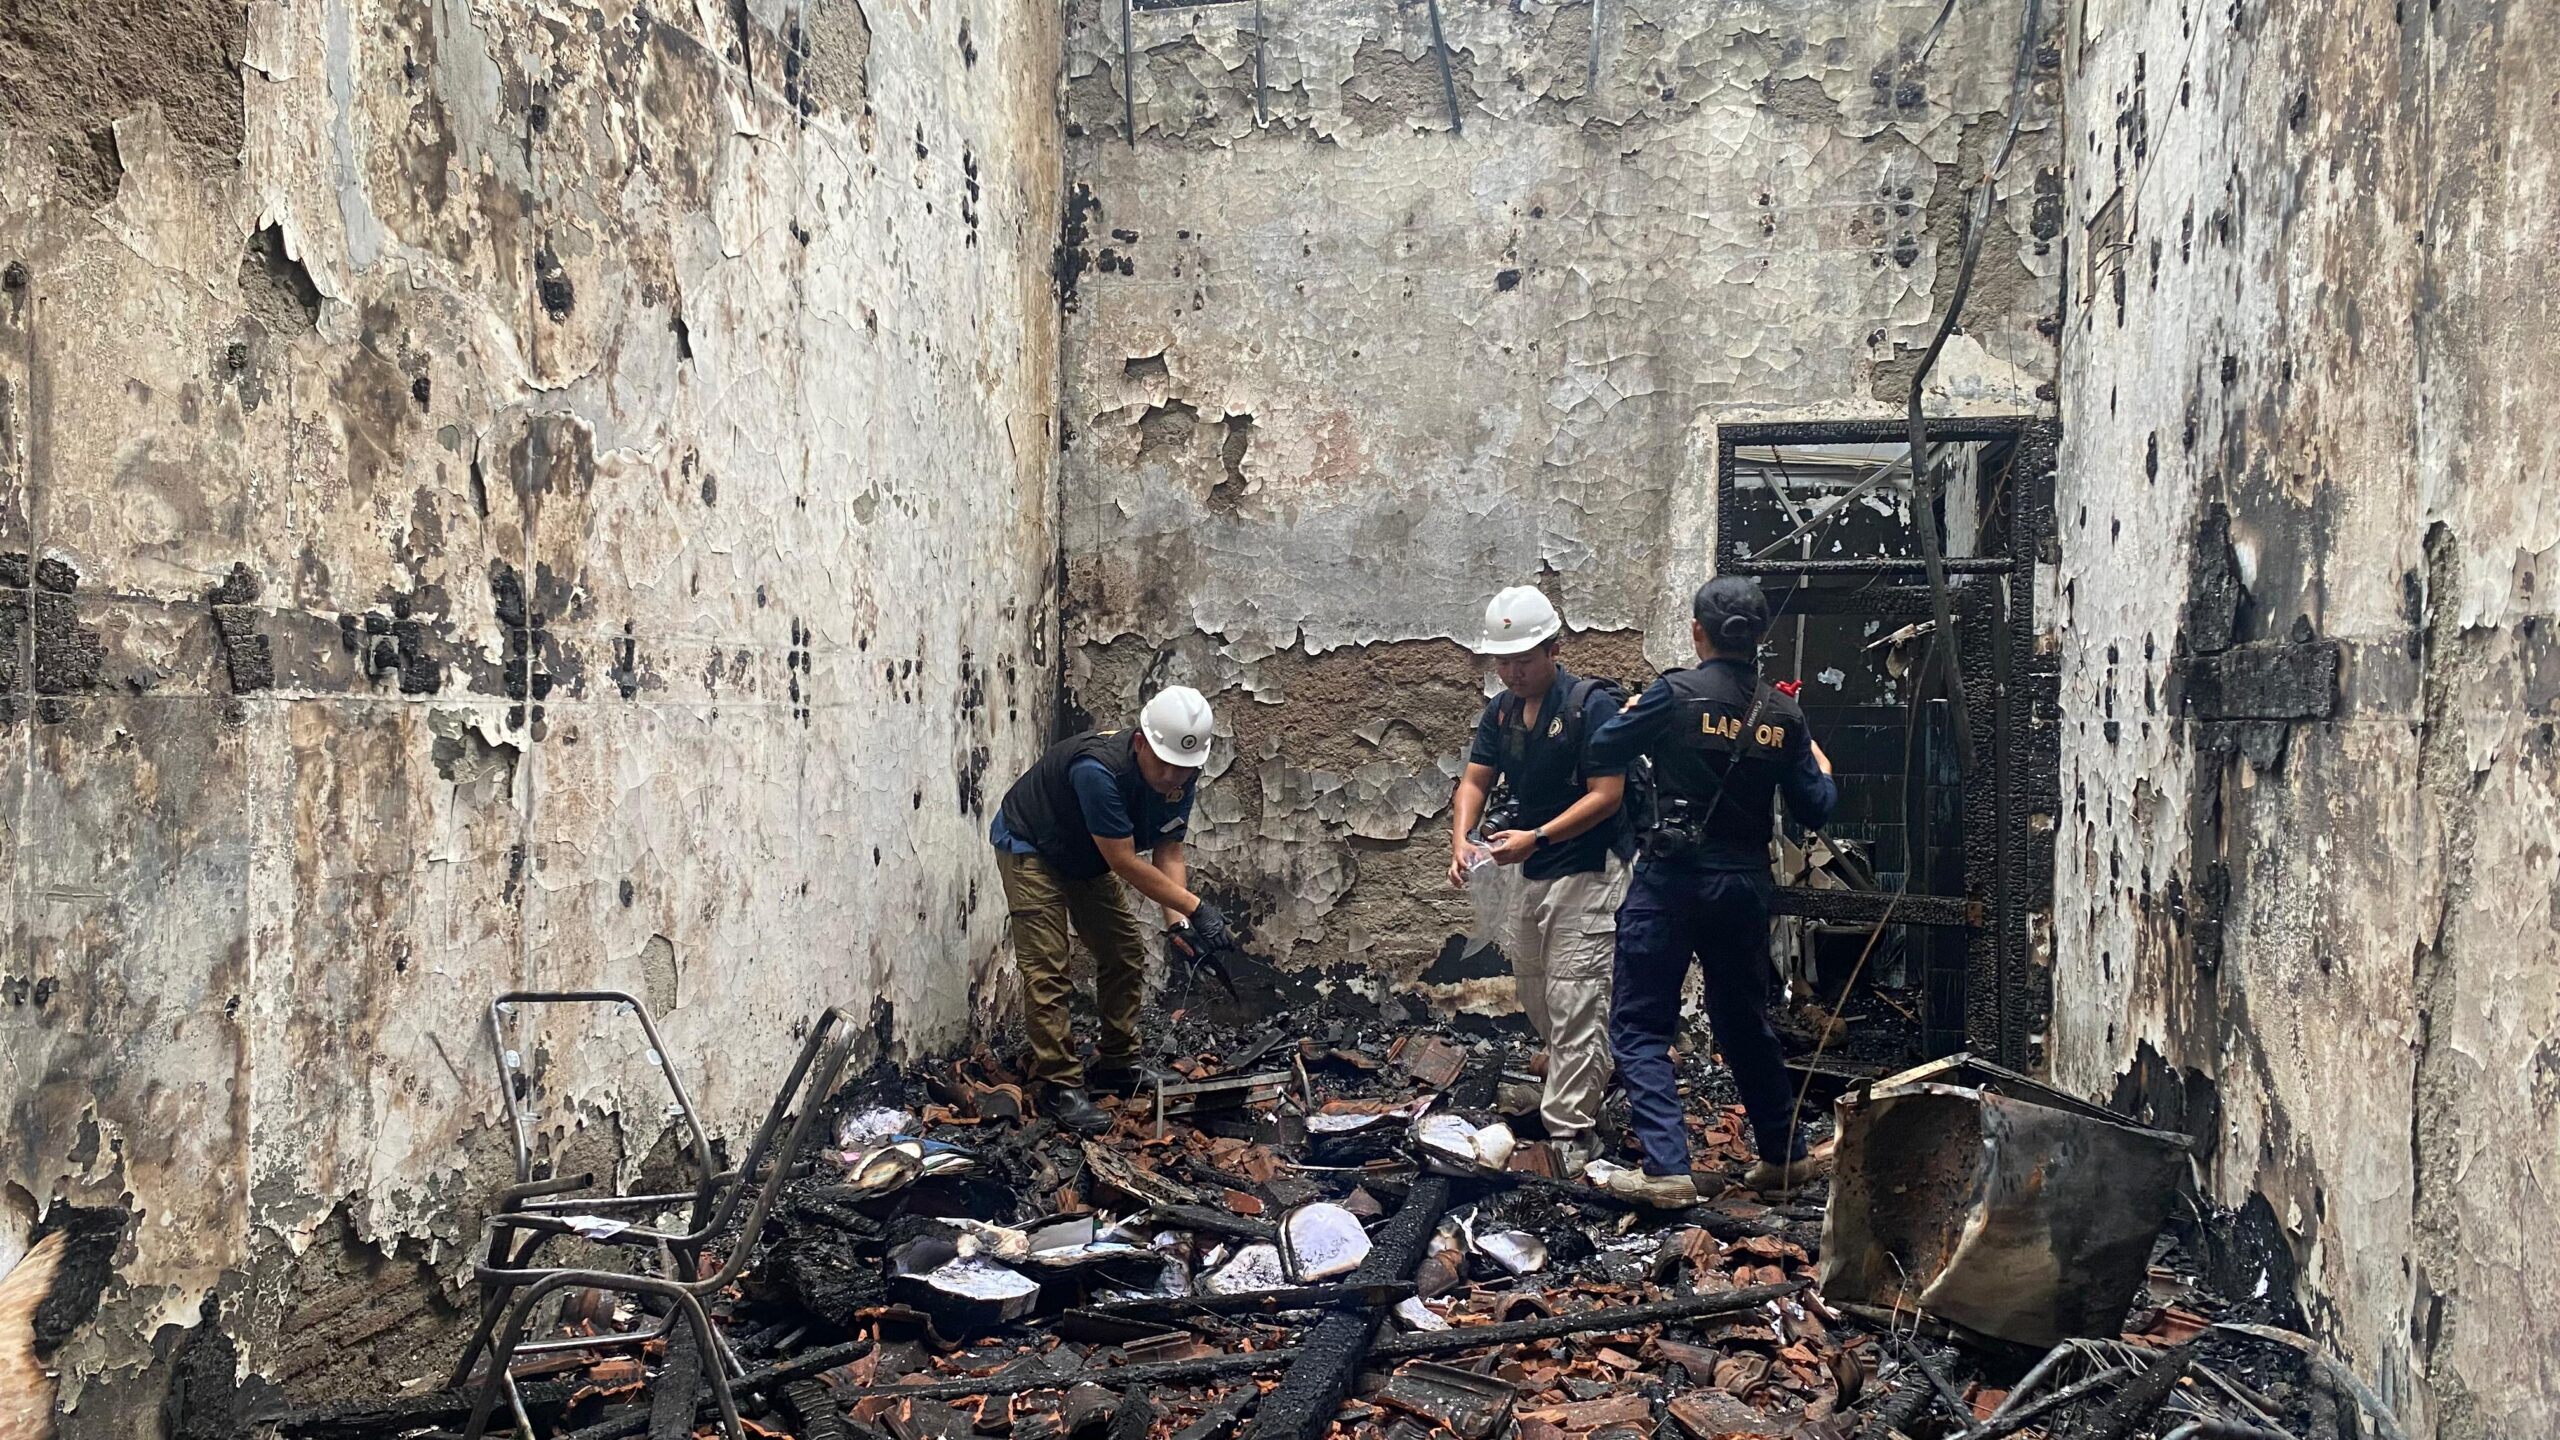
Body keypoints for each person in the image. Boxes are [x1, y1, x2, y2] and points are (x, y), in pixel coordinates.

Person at [1584, 576, 1836, 1206]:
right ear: (1760, 638)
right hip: (1745, 886)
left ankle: (1667, 1167)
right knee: (1745, 1021)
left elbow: (1604, 746)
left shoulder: (1673, 694)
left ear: (1699, 632)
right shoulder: (1785, 714)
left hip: (1672, 880)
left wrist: (1643, 717)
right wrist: (1820, 765)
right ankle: (1784, 1157)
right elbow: (1817, 808)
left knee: (1641, 1025)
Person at [990, 686, 1238, 1135]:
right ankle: (1060, 1086)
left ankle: (1119, 1064)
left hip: (1087, 854)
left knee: (1124, 953)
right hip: (1032, 846)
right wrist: (1198, 908)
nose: (1172, 778)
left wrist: (1178, 925)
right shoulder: (1097, 770)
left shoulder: (1180, 774)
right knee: (1048, 968)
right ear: (1140, 742)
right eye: (1164, 765)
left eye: (1184, 770)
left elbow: (1169, 851)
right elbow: (1124, 862)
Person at [1447, 586, 1631, 1173]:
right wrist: (1462, 839)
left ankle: (1569, 1139)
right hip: (1534, 865)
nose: (1513, 670)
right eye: (1503, 660)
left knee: (1574, 992)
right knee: (1532, 985)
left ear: (1554, 648)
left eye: (1523, 658)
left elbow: (1608, 796)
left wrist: (1540, 837)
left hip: (1590, 864)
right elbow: (1475, 781)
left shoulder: (1588, 705)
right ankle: (1594, 1081)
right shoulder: (1501, 712)